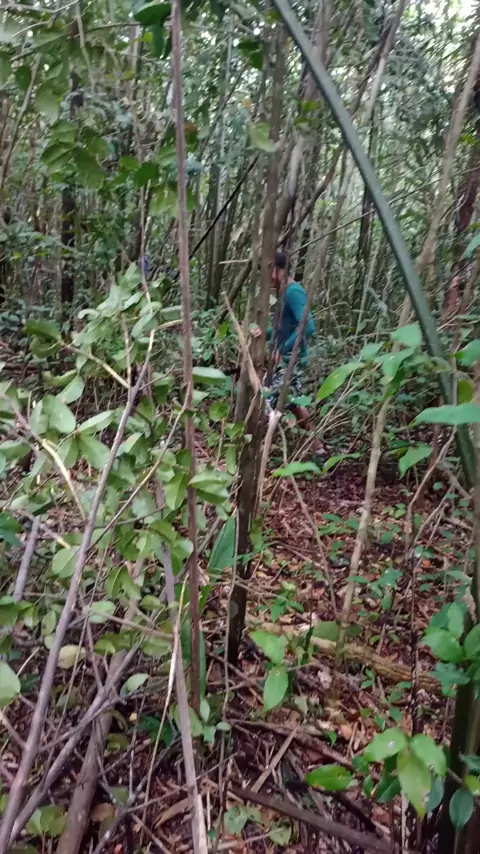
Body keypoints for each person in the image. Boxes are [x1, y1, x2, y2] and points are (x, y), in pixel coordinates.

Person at [253, 251, 322, 450]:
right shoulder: (284, 293)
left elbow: (307, 326)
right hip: (286, 358)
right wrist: (262, 334)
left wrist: (282, 350)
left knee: (267, 401)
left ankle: (261, 448)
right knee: (294, 404)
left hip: (290, 359)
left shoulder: (293, 292)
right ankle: (318, 447)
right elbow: (282, 329)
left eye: (268, 271)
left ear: (280, 270)